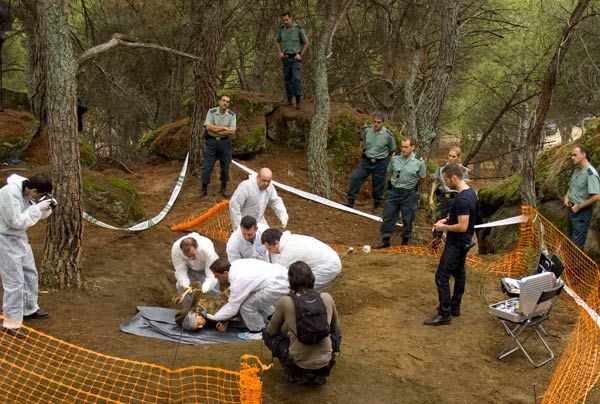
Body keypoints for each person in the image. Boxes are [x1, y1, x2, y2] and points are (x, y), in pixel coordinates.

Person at [263, 261, 341, 385]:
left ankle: (296, 375)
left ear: (291, 281)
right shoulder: (326, 297)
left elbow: (272, 331)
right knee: (336, 331)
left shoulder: (286, 301)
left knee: (266, 332)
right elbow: (335, 328)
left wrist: (289, 328)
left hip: (298, 364)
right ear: (312, 277)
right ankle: (323, 371)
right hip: (325, 362)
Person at [0, 173, 55, 338]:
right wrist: (37, 208)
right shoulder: (10, 193)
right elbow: (16, 221)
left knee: (30, 273)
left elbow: (33, 214)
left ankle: (29, 308)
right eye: (40, 195)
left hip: (19, 237)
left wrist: (47, 208)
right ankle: (11, 323)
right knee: (14, 281)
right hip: (4, 238)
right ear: (34, 190)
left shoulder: (27, 191)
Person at [424, 163, 477, 326]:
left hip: (456, 243)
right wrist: (446, 220)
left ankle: (444, 313)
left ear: (454, 178)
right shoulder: (471, 193)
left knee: (441, 276)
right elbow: (463, 217)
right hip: (465, 242)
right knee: (459, 273)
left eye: (446, 179)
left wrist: (443, 227)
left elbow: (462, 226)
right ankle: (455, 307)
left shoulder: (461, 199)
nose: (445, 182)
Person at [206, 258, 290, 340]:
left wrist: (215, 317)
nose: (216, 278)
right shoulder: (235, 264)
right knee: (254, 300)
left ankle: (257, 331)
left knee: (246, 306)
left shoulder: (238, 281)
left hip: (277, 285)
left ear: (225, 273)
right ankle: (274, 319)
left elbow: (233, 307)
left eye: (217, 276)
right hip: (280, 275)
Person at [373, 137, 427, 248]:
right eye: (402, 146)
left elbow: (422, 178)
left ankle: (405, 242)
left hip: (408, 193)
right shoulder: (395, 157)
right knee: (388, 215)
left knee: (408, 218)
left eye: (406, 147)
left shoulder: (418, 161)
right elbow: (390, 171)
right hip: (394, 191)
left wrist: (414, 187)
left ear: (412, 147)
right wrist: (391, 183)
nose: (403, 149)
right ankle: (385, 239)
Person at [342, 112, 397, 212]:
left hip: (380, 162)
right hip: (367, 161)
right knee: (356, 178)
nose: (376, 124)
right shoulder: (368, 131)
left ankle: (375, 206)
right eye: (375, 122)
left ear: (383, 123)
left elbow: (392, 149)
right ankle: (350, 201)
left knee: (378, 185)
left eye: (379, 122)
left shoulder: (388, 135)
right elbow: (365, 144)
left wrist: (383, 156)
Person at [261, 228, 341, 291]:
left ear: (276, 242)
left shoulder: (288, 250)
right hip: (328, 260)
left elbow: (279, 275)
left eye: (270, 248)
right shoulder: (290, 240)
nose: (270, 251)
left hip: (328, 267)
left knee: (304, 290)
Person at [429, 146, 469, 246]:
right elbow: (435, 182)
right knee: (439, 218)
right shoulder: (441, 167)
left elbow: (465, 185)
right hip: (442, 197)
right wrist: (431, 198)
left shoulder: (462, 171)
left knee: (453, 219)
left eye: (454, 156)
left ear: (458, 158)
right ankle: (435, 242)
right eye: (449, 156)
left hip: (455, 197)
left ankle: (452, 243)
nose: (451, 158)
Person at [563, 144, 600, 250]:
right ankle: (570, 264)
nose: (572, 157)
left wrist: (579, 206)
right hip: (571, 209)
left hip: (581, 213)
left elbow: (597, 196)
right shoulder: (576, 170)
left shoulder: (591, 173)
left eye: (575, 155)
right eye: (571, 155)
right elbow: (571, 186)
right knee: (570, 240)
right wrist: (566, 196)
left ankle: (577, 266)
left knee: (576, 246)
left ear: (583, 155)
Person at [200, 95, 237, 199]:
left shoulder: (232, 115)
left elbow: (232, 131)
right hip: (211, 142)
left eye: (228, 102)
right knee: (207, 167)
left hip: (225, 143)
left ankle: (223, 188)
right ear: (220, 102)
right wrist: (224, 128)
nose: (225, 103)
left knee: (225, 167)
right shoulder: (211, 112)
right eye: (223, 101)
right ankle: (204, 189)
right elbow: (208, 127)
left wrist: (215, 128)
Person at [171, 233, 220, 305]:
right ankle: (188, 310)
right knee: (182, 288)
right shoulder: (176, 249)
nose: (191, 258)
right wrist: (185, 285)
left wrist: (203, 289)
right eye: (188, 256)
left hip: (206, 267)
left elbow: (211, 275)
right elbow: (180, 270)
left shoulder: (207, 249)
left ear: (197, 247)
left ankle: (215, 308)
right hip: (189, 268)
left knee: (213, 289)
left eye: (193, 255)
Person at [275, 11, 308, 109]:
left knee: (296, 79)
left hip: (295, 58)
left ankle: (298, 101)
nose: (285, 22)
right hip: (285, 58)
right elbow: (277, 41)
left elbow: (306, 42)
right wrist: (280, 52)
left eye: (287, 19)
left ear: (291, 18)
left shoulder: (298, 29)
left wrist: (301, 54)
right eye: (284, 20)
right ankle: (289, 100)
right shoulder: (281, 30)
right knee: (287, 79)